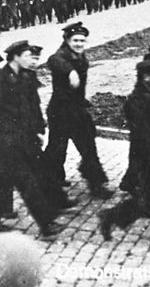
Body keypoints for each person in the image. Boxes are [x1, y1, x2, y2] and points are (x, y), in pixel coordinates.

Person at [0, 40, 64, 239]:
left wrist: (39, 129)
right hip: (8, 140)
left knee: (1, 179)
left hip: (25, 137)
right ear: (15, 57)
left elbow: (32, 106)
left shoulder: (26, 77)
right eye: (26, 56)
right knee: (26, 181)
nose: (30, 60)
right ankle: (46, 223)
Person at [99, 59, 150, 248]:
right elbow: (143, 133)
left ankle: (115, 217)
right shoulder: (136, 101)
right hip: (148, 156)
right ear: (146, 77)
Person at [44, 22, 112, 198]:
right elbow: (53, 60)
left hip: (76, 109)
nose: (79, 44)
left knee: (88, 146)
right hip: (60, 111)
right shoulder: (61, 56)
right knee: (57, 148)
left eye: (82, 40)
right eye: (75, 40)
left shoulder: (80, 57)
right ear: (67, 40)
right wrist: (70, 72)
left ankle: (96, 185)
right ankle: (51, 180)